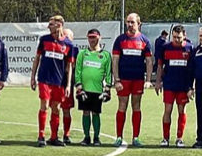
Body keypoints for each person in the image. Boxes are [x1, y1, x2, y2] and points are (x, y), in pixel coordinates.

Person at [30, 15, 74, 147]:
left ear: (59, 25)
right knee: (44, 105)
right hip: (44, 79)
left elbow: (69, 66)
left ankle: (54, 137)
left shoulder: (68, 44)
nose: (48, 27)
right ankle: (41, 135)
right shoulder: (44, 40)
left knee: (56, 108)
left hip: (59, 81)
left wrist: (68, 85)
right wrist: (33, 77)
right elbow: (37, 58)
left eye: (51, 24)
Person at [112, 12, 153, 147]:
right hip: (123, 79)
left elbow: (148, 62)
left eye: (132, 22)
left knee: (136, 106)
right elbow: (115, 60)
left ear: (138, 23)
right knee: (122, 106)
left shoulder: (144, 41)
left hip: (138, 80)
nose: (129, 25)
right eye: (128, 22)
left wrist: (148, 79)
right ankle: (119, 137)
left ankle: (135, 137)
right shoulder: (120, 40)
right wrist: (116, 79)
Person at [154, 24, 193, 148]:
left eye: (179, 38)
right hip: (169, 84)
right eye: (175, 37)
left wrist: (191, 87)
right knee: (168, 110)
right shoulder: (165, 48)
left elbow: (192, 69)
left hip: (183, 86)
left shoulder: (190, 48)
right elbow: (160, 66)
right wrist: (158, 82)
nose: (176, 40)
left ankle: (179, 138)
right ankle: (165, 138)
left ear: (184, 36)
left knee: (182, 111)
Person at [74, 29, 112, 146]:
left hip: (97, 90)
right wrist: (79, 86)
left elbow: (109, 72)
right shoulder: (82, 54)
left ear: (99, 37)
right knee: (85, 112)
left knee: (96, 113)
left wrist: (107, 89)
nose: (92, 40)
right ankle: (86, 137)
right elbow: (78, 70)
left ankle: (96, 137)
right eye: (90, 37)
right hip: (84, 89)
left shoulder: (105, 55)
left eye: (94, 37)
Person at [59, 28, 79, 144]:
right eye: (64, 36)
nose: (66, 38)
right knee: (54, 109)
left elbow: (72, 66)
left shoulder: (74, 50)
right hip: (56, 81)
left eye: (68, 37)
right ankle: (54, 134)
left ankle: (66, 134)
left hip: (67, 83)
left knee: (66, 110)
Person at [189, 27, 202, 149]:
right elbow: (191, 70)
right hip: (199, 86)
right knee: (200, 113)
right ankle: (200, 140)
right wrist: (190, 87)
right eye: (201, 36)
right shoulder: (196, 51)